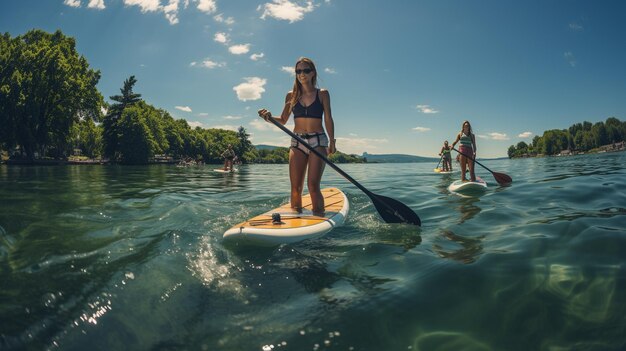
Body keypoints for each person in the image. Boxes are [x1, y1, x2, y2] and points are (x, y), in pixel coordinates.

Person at [258, 57, 336, 215]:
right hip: (297, 141)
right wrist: (269, 117)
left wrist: (332, 141)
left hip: (318, 141)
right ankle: (296, 220)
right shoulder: (291, 96)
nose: (302, 74)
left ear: (313, 73)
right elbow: (283, 120)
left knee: (313, 186)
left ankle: (320, 220)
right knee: (295, 188)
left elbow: (328, 118)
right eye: (298, 71)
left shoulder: (322, 94)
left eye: (306, 70)